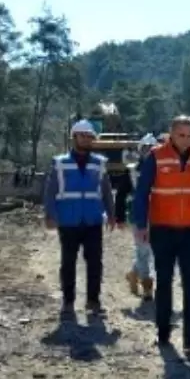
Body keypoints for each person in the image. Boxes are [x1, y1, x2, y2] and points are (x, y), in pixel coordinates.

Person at [132, 115, 190, 353]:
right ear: (171, 134)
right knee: (165, 282)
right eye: (182, 134)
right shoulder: (156, 156)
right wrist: (140, 225)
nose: (187, 139)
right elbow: (142, 193)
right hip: (163, 230)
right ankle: (163, 333)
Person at [43, 119, 116, 317]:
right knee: (68, 262)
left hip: (92, 220)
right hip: (68, 220)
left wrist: (111, 214)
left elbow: (106, 190)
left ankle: (93, 301)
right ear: (74, 137)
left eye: (89, 136)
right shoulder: (60, 163)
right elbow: (51, 191)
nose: (86, 139)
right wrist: (49, 215)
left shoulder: (99, 163)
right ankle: (68, 302)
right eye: (82, 135)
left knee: (95, 262)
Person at [124, 133, 158, 301]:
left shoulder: (164, 171)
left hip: (159, 215)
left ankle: (133, 274)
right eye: (146, 148)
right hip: (139, 216)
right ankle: (147, 286)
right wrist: (118, 216)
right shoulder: (132, 170)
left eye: (152, 148)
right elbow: (122, 192)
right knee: (143, 251)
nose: (150, 151)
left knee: (152, 251)